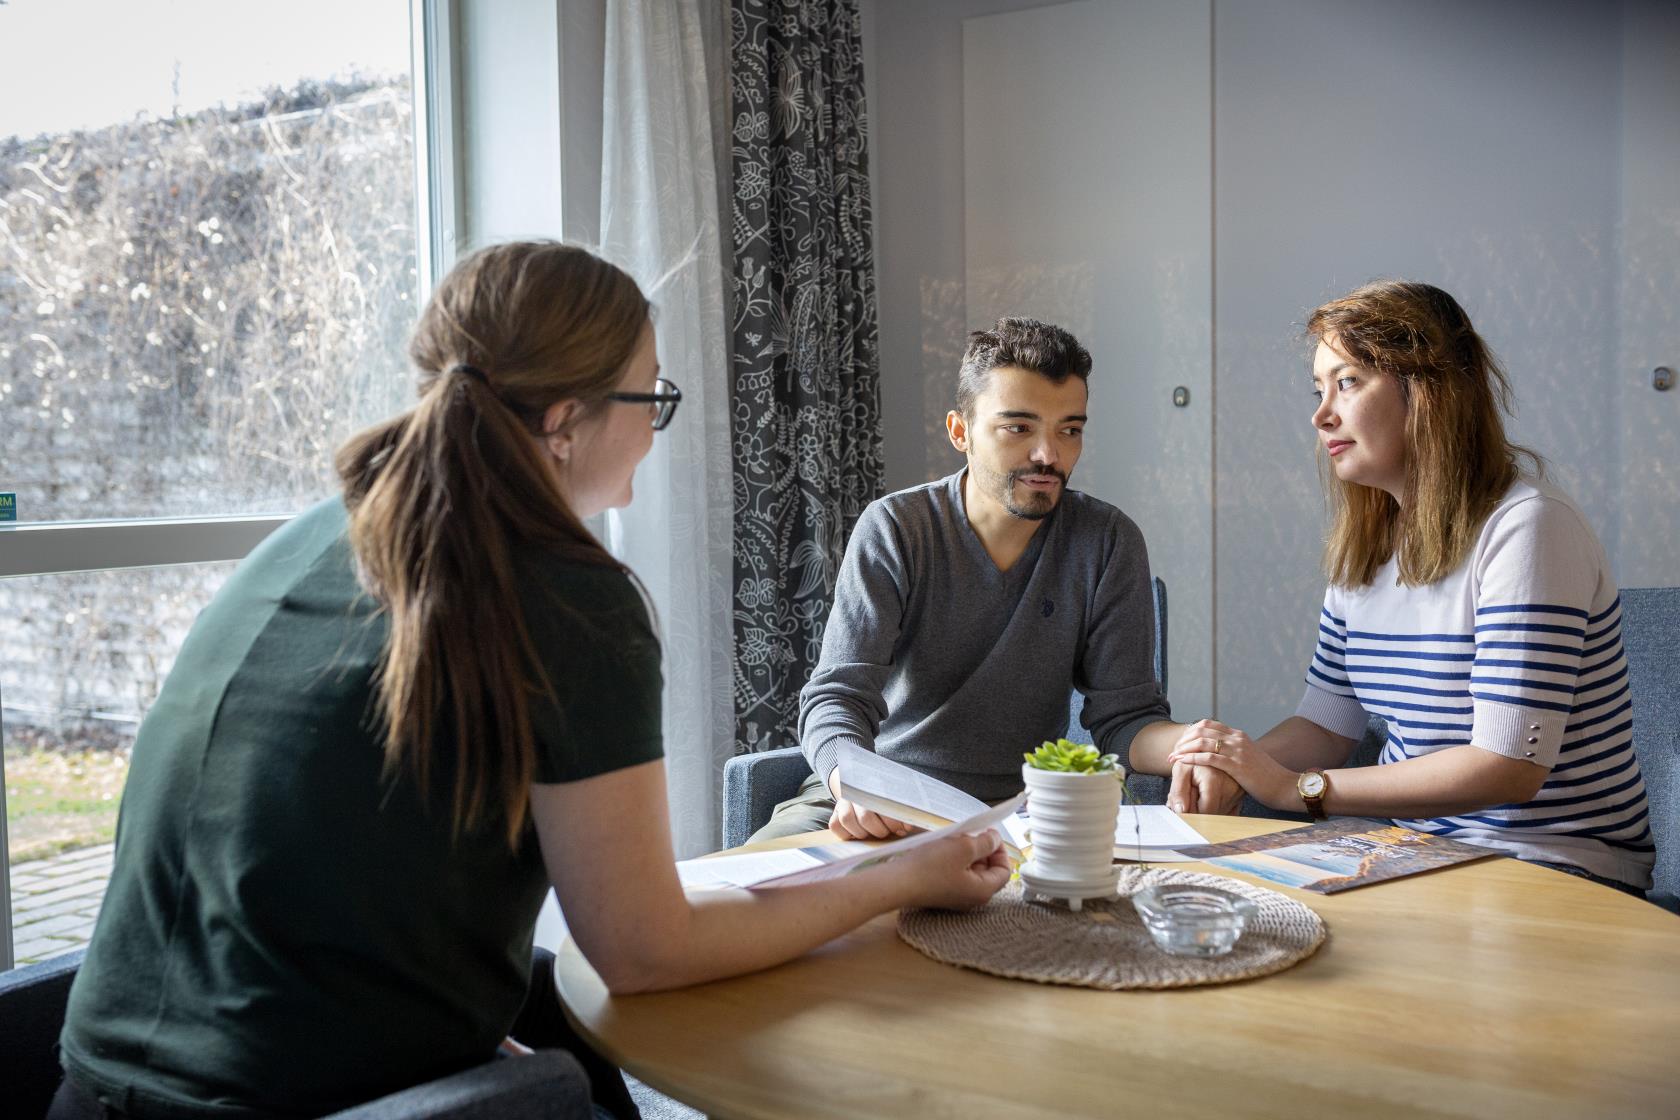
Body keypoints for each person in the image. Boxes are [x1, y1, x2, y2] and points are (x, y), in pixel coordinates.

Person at [49, 242, 1011, 1120]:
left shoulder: (323, 534)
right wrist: (894, 877)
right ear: (562, 422)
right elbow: (641, 950)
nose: (653, 430)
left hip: (90, 1082)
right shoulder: (566, 599)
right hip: (292, 1104)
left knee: (561, 1034)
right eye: (650, 400)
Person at [1161, 280, 1654, 893]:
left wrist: (1294, 788)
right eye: (1319, 390)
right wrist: (1237, 768)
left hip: (1554, 862)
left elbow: (1508, 767)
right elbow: (1327, 721)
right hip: (1413, 854)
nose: (1322, 416)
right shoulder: (1365, 548)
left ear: (1426, 390)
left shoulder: (1528, 527)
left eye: (1347, 382)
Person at [751, 316, 1227, 843]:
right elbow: (836, 698)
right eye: (1019, 428)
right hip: (881, 797)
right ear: (961, 431)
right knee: (755, 885)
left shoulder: (1108, 541)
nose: (1049, 454)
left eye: (1069, 429)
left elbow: (1126, 721)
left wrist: (1197, 745)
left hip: (1024, 816)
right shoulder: (896, 529)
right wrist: (860, 789)